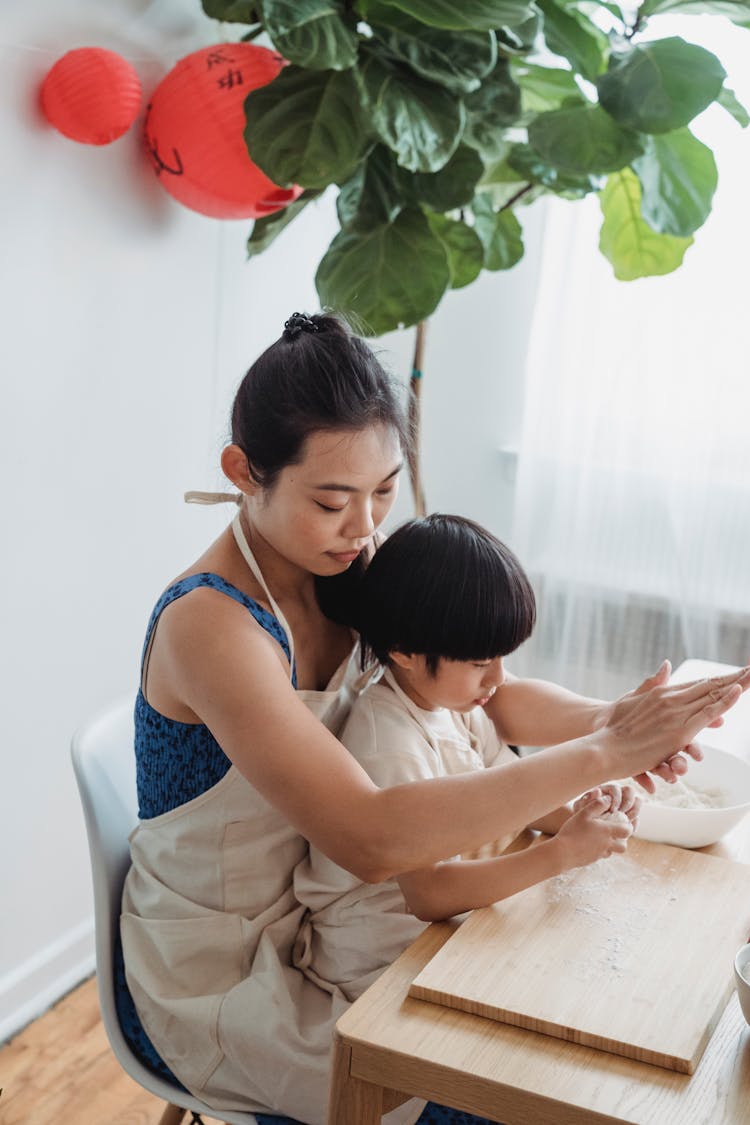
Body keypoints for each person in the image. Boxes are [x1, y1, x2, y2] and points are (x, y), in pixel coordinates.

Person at [118, 311, 750, 1125]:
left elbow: (487, 686)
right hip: (228, 974)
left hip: (337, 920)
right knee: (505, 1091)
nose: (367, 525)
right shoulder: (213, 624)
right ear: (245, 470)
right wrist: (602, 752)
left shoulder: (346, 559)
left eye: (384, 490)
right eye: (332, 499)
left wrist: (614, 717)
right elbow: (369, 836)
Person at [293, 514, 641, 1005]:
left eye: (501, 657)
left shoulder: (452, 702)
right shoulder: (388, 742)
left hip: (441, 925)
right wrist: (561, 853)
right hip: (377, 958)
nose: (498, 678)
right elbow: (429, 894)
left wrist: (582, 819)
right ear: (405, 651)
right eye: (480, 663)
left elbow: (506, 791)